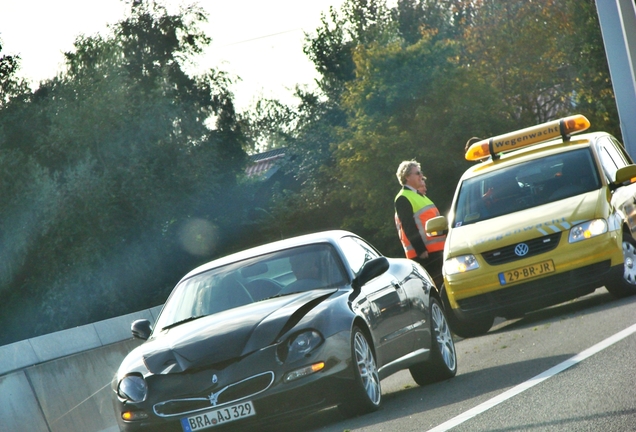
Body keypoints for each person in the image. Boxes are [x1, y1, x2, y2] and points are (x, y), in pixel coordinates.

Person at [394, 160, 446, 287]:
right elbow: (408, 226)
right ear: (407, 177)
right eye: (417, 173)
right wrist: (420, 250)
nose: (421, 176)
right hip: (425, 254)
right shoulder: (403, 197)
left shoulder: (419, 195)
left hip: (437, 250)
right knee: (439, 287)